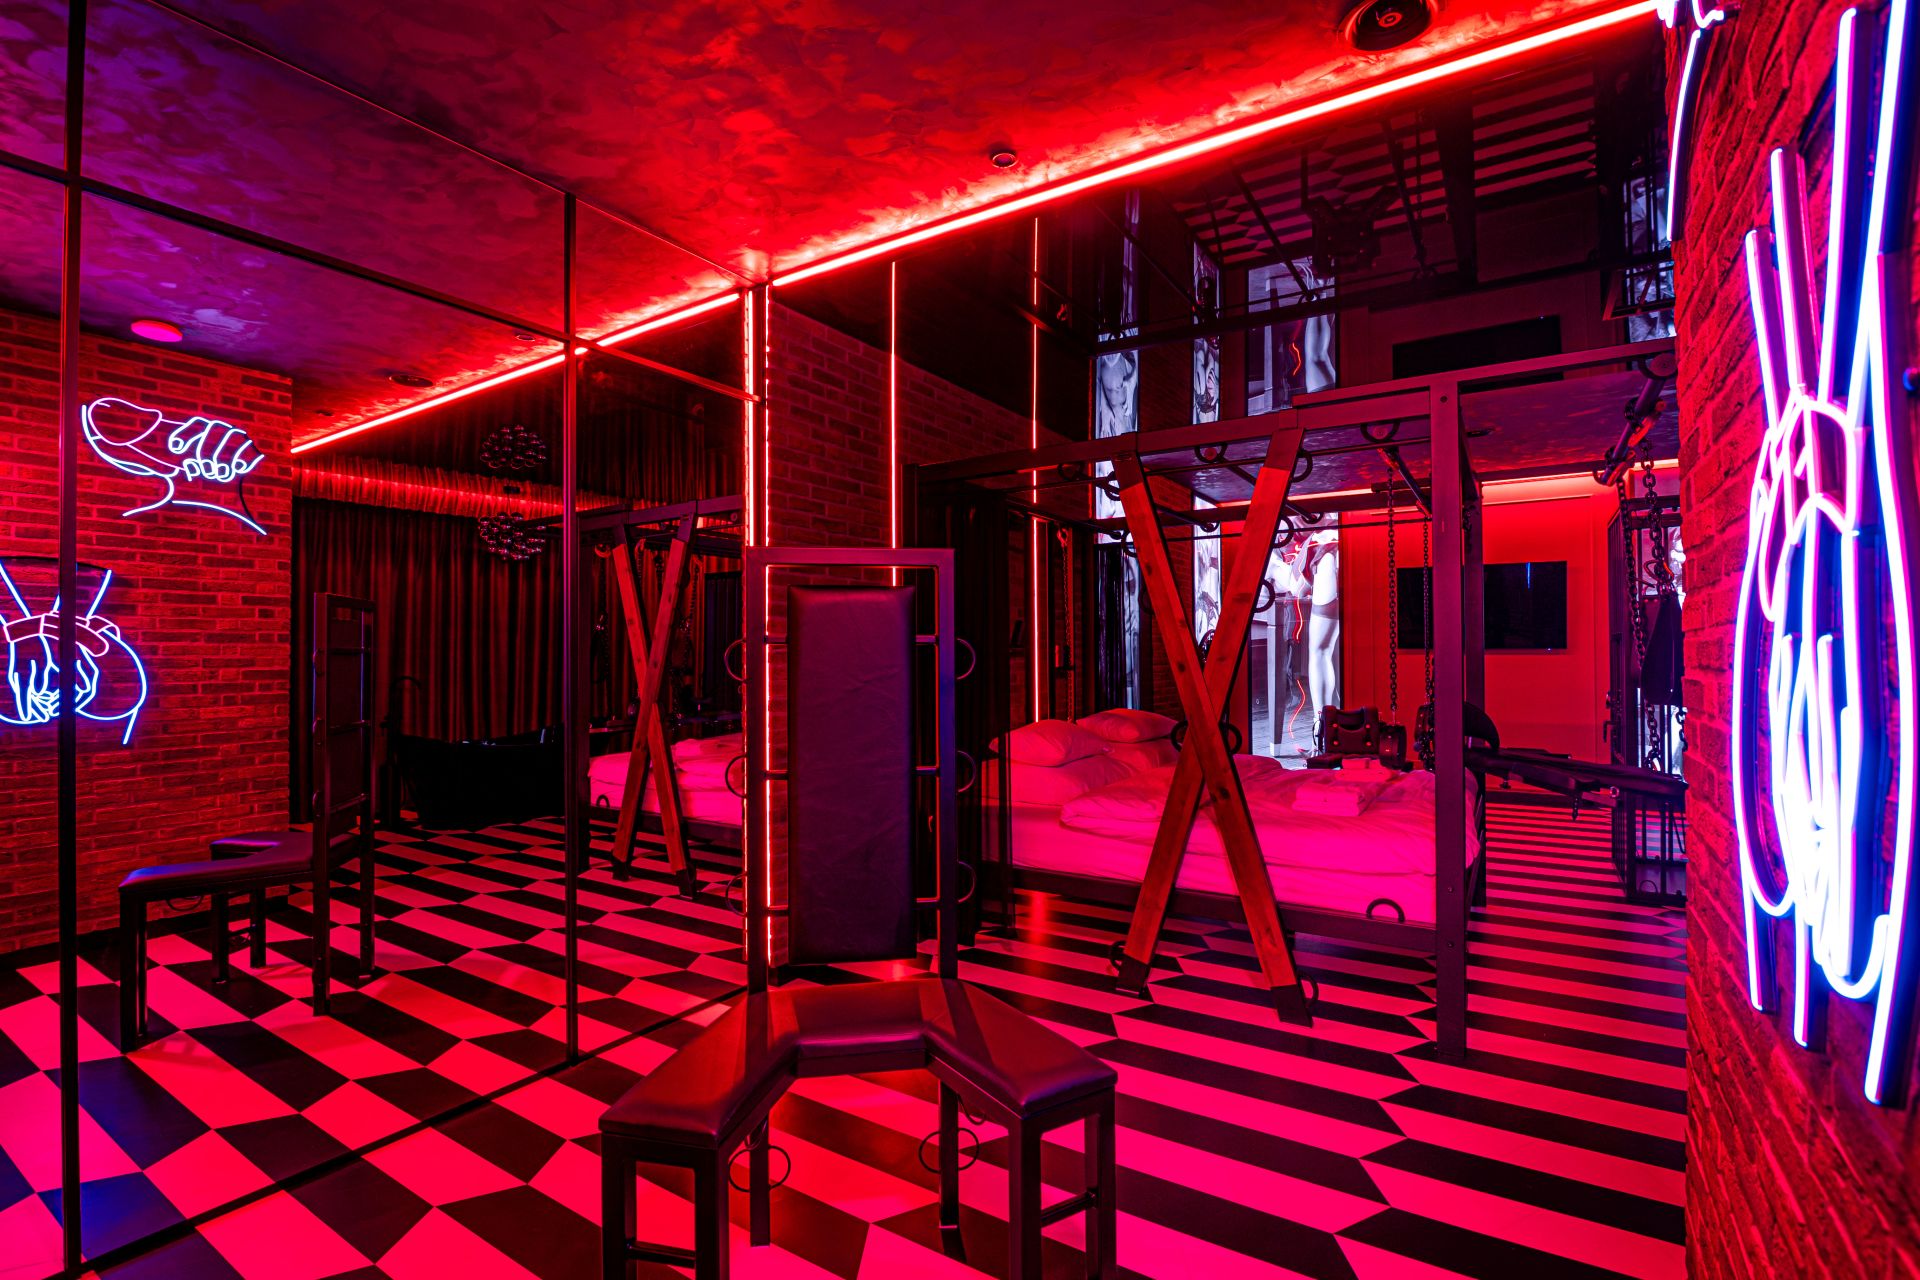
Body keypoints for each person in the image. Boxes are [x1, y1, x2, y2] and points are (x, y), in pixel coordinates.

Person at [1270, 528, 1340, 741]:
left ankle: (1323, 728)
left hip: (1324, 556)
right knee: (1325, 652)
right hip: (1333, 555)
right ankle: (1327, 728)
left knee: (1322, 652)